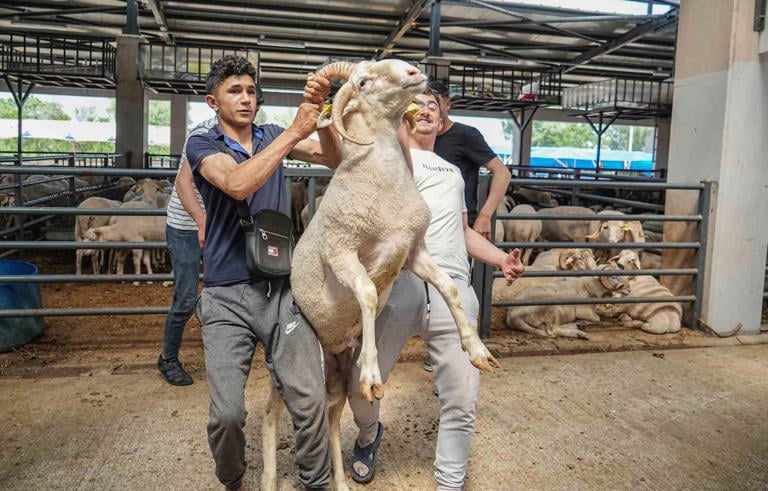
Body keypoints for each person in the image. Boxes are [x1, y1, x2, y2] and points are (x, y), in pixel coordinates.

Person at [346, 91, 524, 489]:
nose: (425, 109)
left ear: (442, 122)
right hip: (399, 283)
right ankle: (369, 433)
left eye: (433, 106)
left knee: (462, 396)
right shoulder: (388, 159)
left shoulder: (453, 172)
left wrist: (500, 259)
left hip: (452, 288)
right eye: (417, 104)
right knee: (361, 384)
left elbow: (462, 232)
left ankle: (450, 483)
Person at [185, 55, 342, 491]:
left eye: (252, 91)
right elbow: (237, 184)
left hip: (279, 291)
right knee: (227, 414)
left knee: (309, 397)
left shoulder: (271, 135)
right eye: (235, 91)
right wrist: (294, 132)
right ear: (213, 102)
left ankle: (315, 481)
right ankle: (232, 479)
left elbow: (332, 157)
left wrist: (320, 114)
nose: (246, 99)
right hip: (225, 296)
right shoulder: (203, 145)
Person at [157, 118, 216, 386]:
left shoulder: (245, 133)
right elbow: (184, 183)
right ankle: (167, 358)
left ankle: (224, 350)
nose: (246, 104)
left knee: (224, 291)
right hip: (186, 226)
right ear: (215, 102)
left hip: (217, 225)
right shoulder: (204, 133)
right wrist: (202, 221)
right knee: (186, 296)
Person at [429, 80, 512, 240]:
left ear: (447, 104)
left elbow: (502, 173)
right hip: (425, 225)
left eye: (434, 104)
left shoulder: (465, 135)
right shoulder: (416, 138)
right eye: (421, 105)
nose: (427, 110)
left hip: (458, 226)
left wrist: (485, 215)